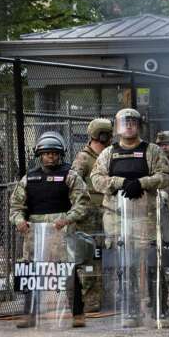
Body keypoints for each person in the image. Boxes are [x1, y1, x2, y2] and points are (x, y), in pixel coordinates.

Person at [91, 108, 169, 326]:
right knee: (125, 265)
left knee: (151, 263)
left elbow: (166, 176)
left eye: (133, 122)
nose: (129, 126)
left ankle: (158, 309)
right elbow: (96, 179)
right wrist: (120, 183)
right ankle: (131, 310)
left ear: (139, 125)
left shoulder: (152, 150)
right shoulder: (108, 153)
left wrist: (142, 183)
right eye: (124, 122)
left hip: (145, 216)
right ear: (117, 126)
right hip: (118, 217)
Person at [9, 132, 90, 328]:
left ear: (60, 154)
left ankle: (78, 314)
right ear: (39, 155)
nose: (50, 157)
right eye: (46, 153)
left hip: (61, 231)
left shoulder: (70, 176)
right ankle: (29, 314)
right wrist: (19, 221)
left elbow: (82, 203)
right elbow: (16, 206)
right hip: (34, 234)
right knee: (32, 273)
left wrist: (67, 219)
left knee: (68, 271)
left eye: (54, 153)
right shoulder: (29, 178)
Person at [71, 118, 113, 313]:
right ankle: (91, 299)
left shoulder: (111, 154)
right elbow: (73, 182)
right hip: (89, 213)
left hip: (109, 210)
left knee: (106, 255)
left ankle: (106, 295)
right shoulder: (84, 158)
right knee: (89, 257)